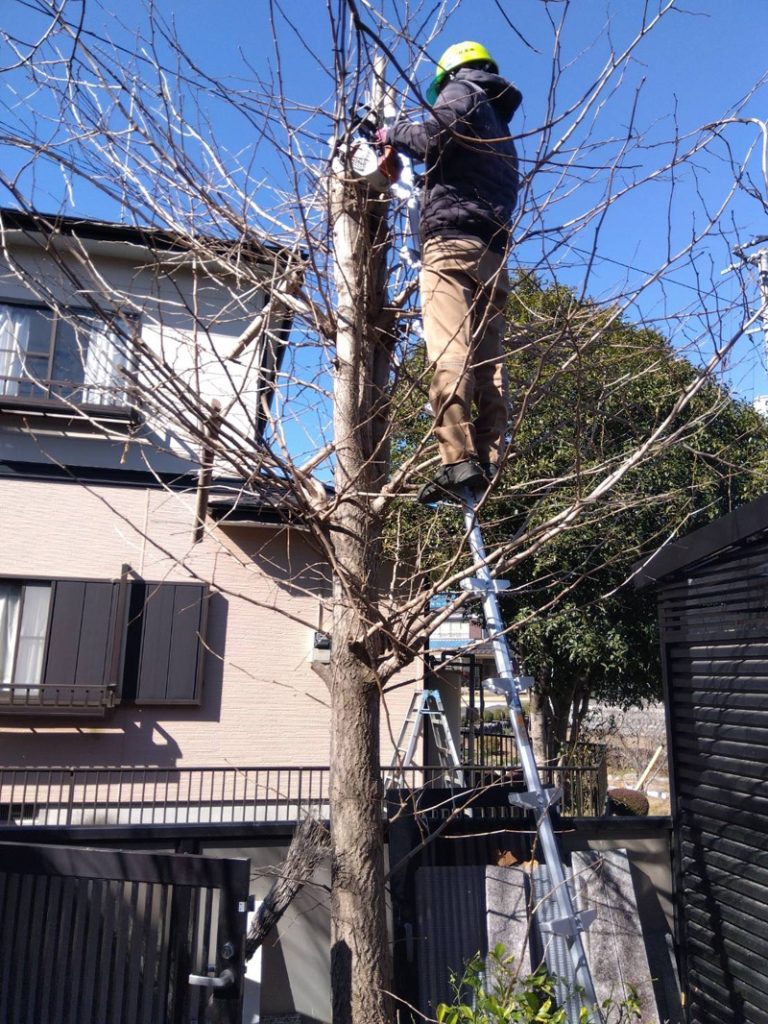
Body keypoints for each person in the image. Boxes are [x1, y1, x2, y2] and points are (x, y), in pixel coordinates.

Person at [379, 41, 522, 503]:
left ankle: (458, 458)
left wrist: (390, 131)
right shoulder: (501, 130)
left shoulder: (461, 91)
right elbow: (458, 168)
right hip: (492, 254)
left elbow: (429, 138)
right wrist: (425, 183)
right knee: (490, 362)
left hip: (451, 246)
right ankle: (490, 458)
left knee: (450, 350)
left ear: (449, 74)